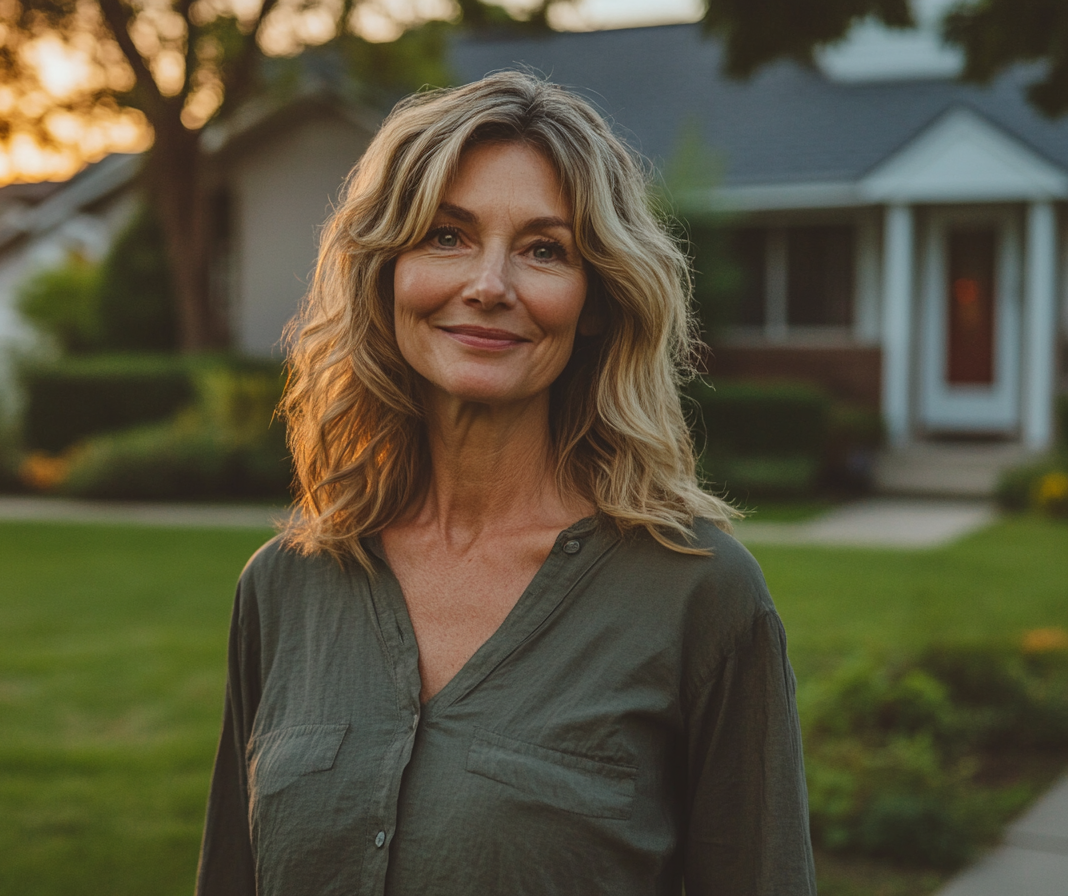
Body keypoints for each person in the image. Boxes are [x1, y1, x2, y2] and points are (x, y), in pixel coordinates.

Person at [195, 71, 816, 896]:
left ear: (595, 300)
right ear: (386, 273)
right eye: (446, 237)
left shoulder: (698, 596)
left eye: (543, 250)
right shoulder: (285, 586)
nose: (489, 285)